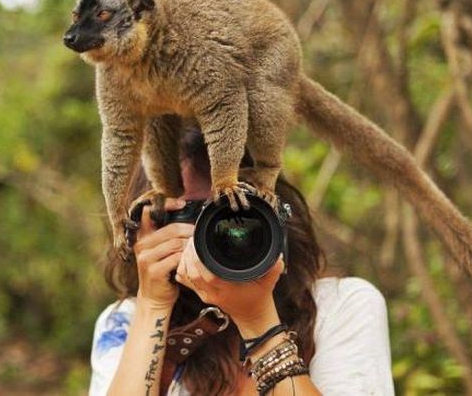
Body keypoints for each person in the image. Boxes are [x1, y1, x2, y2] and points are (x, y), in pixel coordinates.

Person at [89, 128, 394, 395]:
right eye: (195, 214)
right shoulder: (126, 323)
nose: (224, 230)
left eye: (236, 208)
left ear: (273, 210)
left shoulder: (341, 306)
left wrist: (258, 320)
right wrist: (153, 304)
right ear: (148, 227)